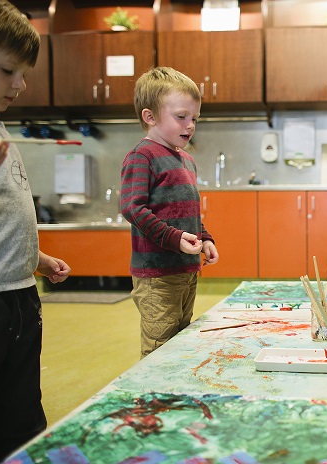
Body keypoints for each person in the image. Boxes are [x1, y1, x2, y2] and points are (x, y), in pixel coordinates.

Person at [0, 1, 71, 461]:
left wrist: (33, 256)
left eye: (24, 72)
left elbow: (0, 215)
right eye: (7, 70)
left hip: (18, 295)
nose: (20, 84)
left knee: (21, 421)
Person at [120, 66, 219, 359]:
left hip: (185, 271)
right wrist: (174, 238)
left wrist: (206, 237)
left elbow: (187, 212)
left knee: (179, 342)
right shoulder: (143, 155)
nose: (189, 126)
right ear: (149, 117)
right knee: (159, 349)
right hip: (157, 275)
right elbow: (132, 207)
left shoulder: (186, 159)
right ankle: (155, 402)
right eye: (181, 117)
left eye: (194, 119)